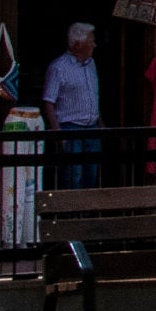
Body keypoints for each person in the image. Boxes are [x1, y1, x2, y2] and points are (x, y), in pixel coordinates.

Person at [42, 21, 107, 189]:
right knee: (73, 176)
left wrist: (100, 123)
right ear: (78, 44)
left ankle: (86, 214)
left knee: (91, 175)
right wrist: (58, 133)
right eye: (91, 40)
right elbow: (49, 102)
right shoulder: (58, 68)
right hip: (70, 128)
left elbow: (92, 95)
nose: (94, 44)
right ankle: (71, 215)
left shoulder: (91, 64)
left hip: (92, 128)